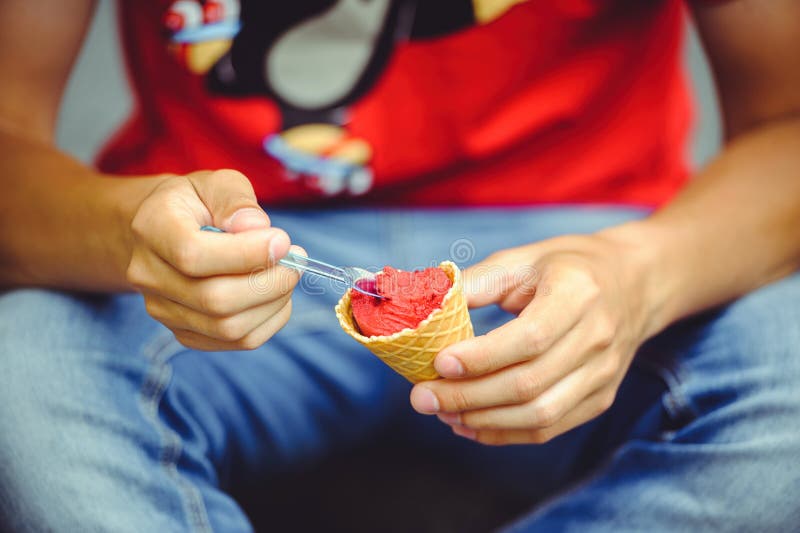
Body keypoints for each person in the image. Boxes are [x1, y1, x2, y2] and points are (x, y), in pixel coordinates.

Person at [1, 0, 798, 531]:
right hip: (227, 252)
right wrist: (131, 232)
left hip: (592, 240)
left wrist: (642, 272)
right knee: (21, 373)